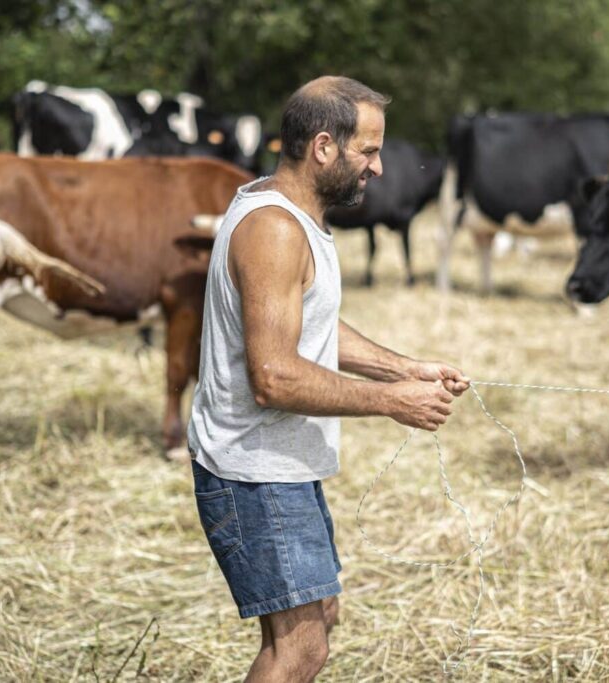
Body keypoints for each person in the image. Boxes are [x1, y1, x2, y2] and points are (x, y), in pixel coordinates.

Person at [186, 75, 470, 682]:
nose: (379, 168)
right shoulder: (275, 230)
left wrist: (405, 368)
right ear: (323, 147)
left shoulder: (291, 214)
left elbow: (309, 324)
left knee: (319, 619)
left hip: (280, 465)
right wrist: (390, 401)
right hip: (254, 471)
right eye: (368, 151)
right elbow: (273, 377)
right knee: (300, 651)